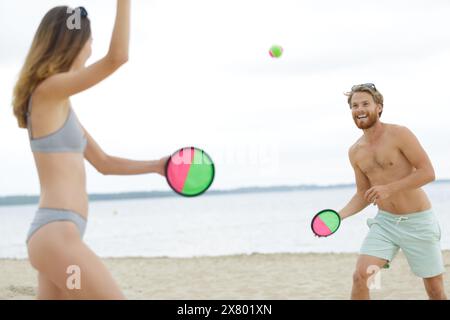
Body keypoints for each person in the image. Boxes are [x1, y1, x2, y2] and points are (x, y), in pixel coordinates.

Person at [12, 1, 167, 299]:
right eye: (90, 39)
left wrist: (156, 166)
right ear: (75, 41)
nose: (92, 46)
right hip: (57, 236)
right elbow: (117, 57)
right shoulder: (47, 91)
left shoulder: (61, 106)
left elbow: (104, 163)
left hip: (54, 238)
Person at [338, 83, 447, 300]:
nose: (359, 109)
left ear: (379, 107)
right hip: (385, 223)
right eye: (354, 105)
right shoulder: (355, 151)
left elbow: (428, 172)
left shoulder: (400, 134)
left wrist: (389, 188)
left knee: (435, 291)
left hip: (418, 222)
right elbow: (363, 194)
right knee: (361, 277)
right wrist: (338, 216)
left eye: (365, 104)